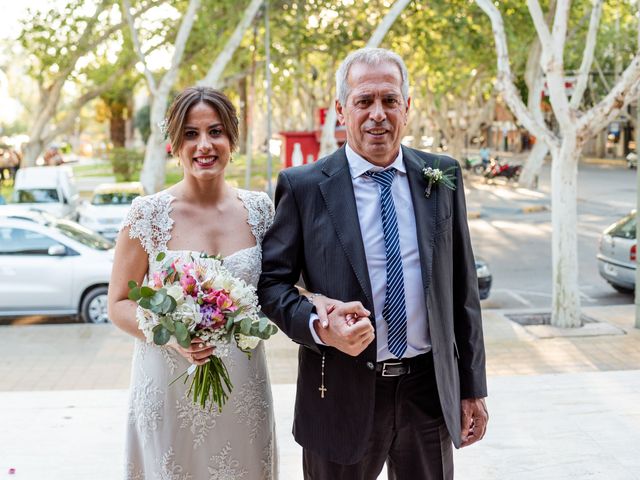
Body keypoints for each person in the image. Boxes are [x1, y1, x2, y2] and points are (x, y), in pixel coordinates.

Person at [259, 47, 488, 480]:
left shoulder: (442, 177)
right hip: (339, 393)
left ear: (408, 106)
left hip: (427, 393)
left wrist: (471, 388)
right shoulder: (303, 186)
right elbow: (271, 285)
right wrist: (319, 325)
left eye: (389, 100)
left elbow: (463, 291)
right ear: (342, 111)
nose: (378, 114)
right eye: (364, 101)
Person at [108, 86, 277, 479]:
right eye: (190, 133)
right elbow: (118, 303)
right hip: (169, 387)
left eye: (216, 132)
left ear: (233, 139)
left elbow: (281, 290)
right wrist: (169, 332)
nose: (204, 145)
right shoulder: (146, 215)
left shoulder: (261, 211)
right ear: (173, 144)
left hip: (242, 390)